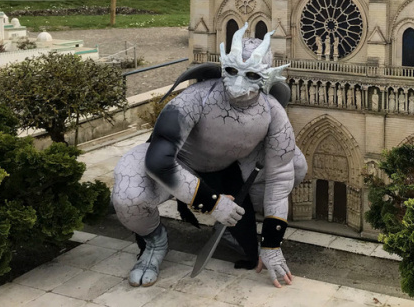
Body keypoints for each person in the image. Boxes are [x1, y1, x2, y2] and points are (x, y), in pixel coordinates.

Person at [111, 23, 307, 289]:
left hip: (228, 167)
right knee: (128, 197)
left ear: (266, 77)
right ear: (222, 66)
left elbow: (280, 178)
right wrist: (213, 203)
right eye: (232, 71)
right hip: (180, 163)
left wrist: (272, 244)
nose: (238, 84)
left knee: (294, 164)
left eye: (250, 74)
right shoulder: (194, 99)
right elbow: (159, 159)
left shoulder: (273, 114)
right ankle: (155, 241)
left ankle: (232, 232)